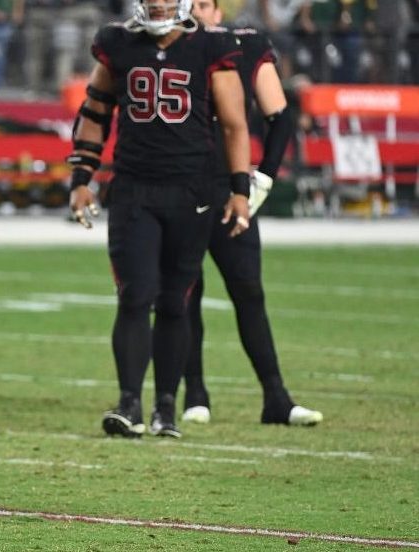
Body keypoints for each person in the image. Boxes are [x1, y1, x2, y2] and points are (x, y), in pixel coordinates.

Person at [69, 0, 252, 439]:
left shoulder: (213, 46)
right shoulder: (119, 42)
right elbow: (95, 113)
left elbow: (233, 124)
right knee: (135, 295)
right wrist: (80, 179)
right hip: (134, 189)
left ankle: (166, 406)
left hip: (193, 190)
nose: (158, 4)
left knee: (176, 301)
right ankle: (130, 402)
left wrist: (241, 190)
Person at [182, 0, 323, 427]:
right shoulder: (164, 50)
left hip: (230, 190)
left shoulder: (243, 47)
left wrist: (260, 180)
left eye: (203, 4)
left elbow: (279, 115)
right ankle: (194, 395)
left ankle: (276, 397)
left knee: (249, 292)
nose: (196, 12)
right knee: (184, 297)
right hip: (180, 189)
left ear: (217, 12)